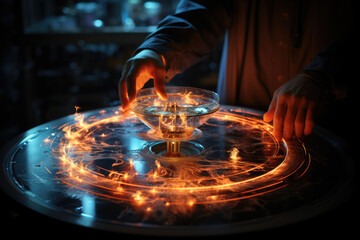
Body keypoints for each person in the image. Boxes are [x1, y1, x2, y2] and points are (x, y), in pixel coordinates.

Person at [119, 0, 358, 140]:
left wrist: (321, 74)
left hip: (329, 130)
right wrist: (157, 50)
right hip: (238, 137)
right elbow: (200, 9)